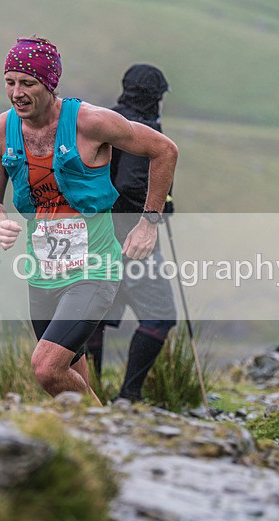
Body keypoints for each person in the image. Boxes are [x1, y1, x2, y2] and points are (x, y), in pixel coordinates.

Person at [0, 38, 178, 405]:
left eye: (28, 83)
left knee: (46, 368)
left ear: (49, 84)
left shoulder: (91, 122)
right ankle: (105, 443)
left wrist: (149, 221)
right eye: (10, 82)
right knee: (72, 381)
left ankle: (110, 430)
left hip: (93, 270)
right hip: (41, 273)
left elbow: (163, 150)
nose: (17, 93)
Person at [86, 64, 178, 402]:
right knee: (160, 316)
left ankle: (87, 395)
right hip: (131, 238)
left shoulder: (104, 122)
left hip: (95, 235)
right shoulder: (143, 128)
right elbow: (130, 182)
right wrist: (155, 212)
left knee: (96, 316)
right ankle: (129, 395)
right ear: (154, 96)